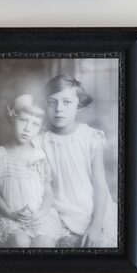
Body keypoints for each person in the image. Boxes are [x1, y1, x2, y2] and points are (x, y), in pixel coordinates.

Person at [40, 75, 117, 247]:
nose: (59, 109)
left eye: (67, 102)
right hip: (59, 216)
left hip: (92, 211)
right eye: (52, 102)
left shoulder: (90, 137)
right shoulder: (41, 141)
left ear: (79, 106)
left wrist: (96, 226)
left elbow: (100, 186)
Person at [0, 94, 63, 248]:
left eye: (35, 124)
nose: (27, 128)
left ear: (40, 127)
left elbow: (48, 191)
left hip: (35, 215)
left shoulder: (39, 155)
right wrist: (10, 214)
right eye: (23, 120)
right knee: (20, 242)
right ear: (12, 117)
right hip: (7, 214)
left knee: (44, 243)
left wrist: (40, 212)